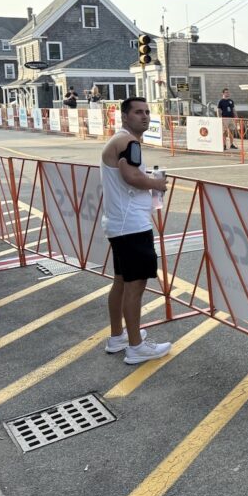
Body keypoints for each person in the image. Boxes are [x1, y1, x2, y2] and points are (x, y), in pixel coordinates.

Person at [99, 97, 173, 365]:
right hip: (131, 225)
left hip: (119, 223)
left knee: (121, 281)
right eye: (138, 112)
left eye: (147, 112)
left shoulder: (120, 141)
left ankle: (118, 336)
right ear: (124, 117)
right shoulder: (129, 142)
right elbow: (131, 177)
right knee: (135, 285)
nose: (145, 116)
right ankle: (136, 347)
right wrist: (158, 183)